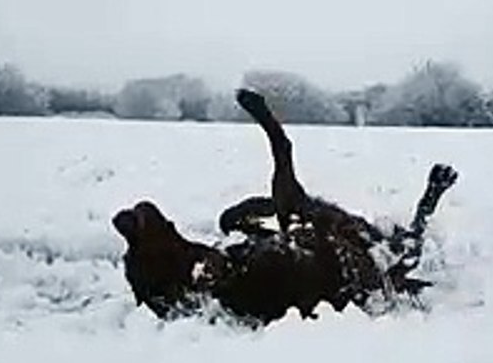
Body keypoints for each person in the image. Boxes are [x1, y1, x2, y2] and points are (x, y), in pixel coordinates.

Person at [113, 88, 458, 326]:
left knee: (254, 218)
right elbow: (313, 282)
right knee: (400, 257)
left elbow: (251, 247)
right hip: (346, 261)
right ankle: (427, 206)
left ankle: (276, 140)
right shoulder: (244, 293)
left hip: (314, 241)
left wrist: (250, 222)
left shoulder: (218, 266)